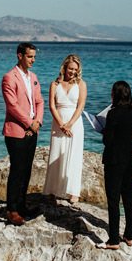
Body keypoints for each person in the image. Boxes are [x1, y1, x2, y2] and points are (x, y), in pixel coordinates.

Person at [1, 42, 44, 226]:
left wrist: (38, 122)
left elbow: (40, 102)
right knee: (16, 171)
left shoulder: (33, 77)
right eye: (29, 56)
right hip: (16, 131)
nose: (33, 60)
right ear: (20, 55)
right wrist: (28, 123)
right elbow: (12, 106)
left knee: (27, 170)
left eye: (34, 56)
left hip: (32, 130)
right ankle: (11, 210)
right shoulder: (9, 78)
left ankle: (22, 205)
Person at [98, 80, 132, 249]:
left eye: (112, 92)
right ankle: (129, 236)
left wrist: (104, 130)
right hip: (130, 157)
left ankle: (113, 240)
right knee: (129, 197)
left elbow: (108, 140)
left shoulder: (113, 114)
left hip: (115, 159)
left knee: (113, 199)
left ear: (116, 95)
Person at [42, 54, 87, 204]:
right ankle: (53, 189)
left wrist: (69, 124)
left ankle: (74, 191)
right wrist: (61, 124)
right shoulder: (54, 84)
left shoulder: (81, 84)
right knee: (56, 154)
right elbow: (51, 106)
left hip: (75, 124)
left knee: (73, 156)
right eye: (70, 68)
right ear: (64, 67)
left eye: (75, 69)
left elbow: (81, 106)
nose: (73, 72)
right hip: (58, 123)